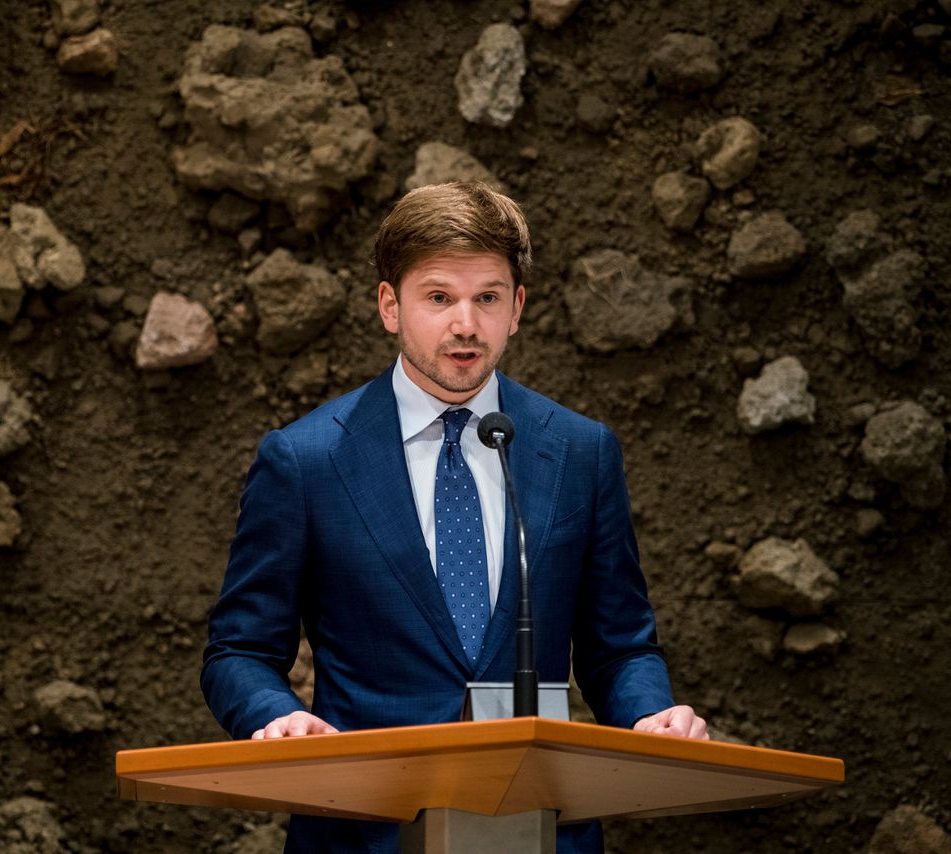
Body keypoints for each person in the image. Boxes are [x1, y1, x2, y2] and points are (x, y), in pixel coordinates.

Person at [201, 182, 707, 853]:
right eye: (438, 297)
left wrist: (650, 716)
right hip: (364, 829)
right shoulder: (306, 460)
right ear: (391, 306)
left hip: (539, 828)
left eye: (487, 297)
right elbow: (238, 650)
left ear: (518, 307)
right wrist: (277, 717)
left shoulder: (579, 453)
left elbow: (619, 646)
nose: (465, 324)